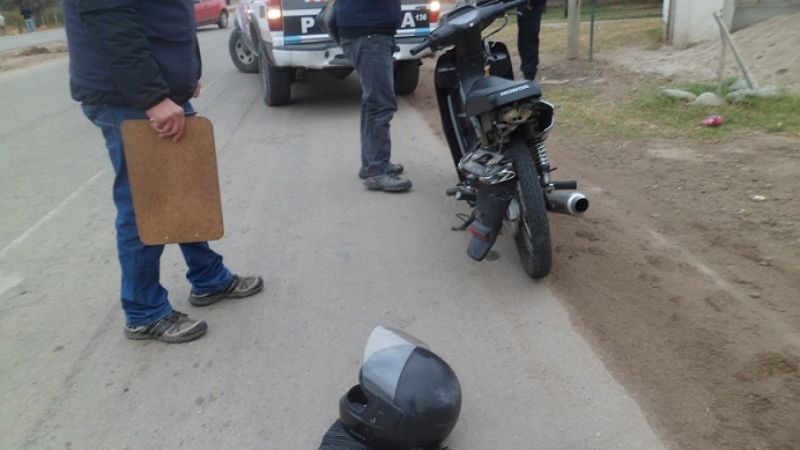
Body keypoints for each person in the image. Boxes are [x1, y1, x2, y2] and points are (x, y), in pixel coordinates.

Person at [63, 0, 263, 344]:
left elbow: (169, 16)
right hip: (129, 98)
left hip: (157, 91)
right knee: (145, 204)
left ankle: (209, 278)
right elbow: (111, 24)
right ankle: (143, 312)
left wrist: (185, 75)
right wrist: (152, 97)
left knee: (183, 189)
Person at [336, 0, 412, 192]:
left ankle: (372, 164)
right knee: (380, 104)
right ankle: (377, 171)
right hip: (368, 34)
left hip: (370, 32)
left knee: (372, 104)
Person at [517, 0, 547, 80]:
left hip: (532, 6)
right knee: (522, 40)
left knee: (529, 41)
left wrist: (531, 4)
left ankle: (529, 74)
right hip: (522, 6)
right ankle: (526, 68)